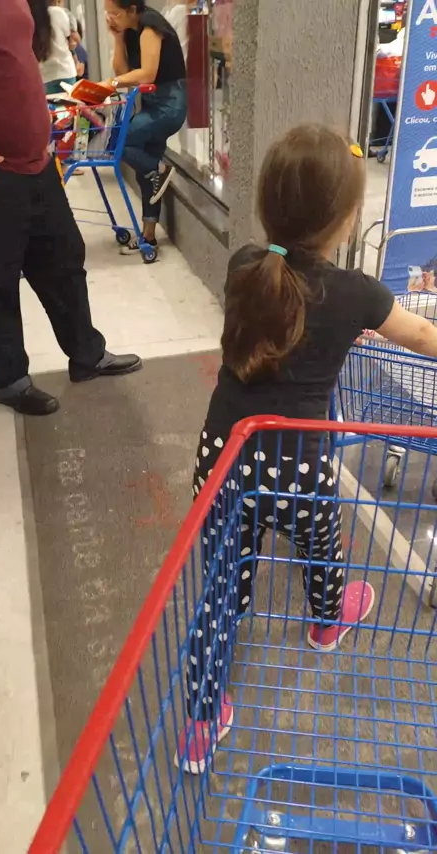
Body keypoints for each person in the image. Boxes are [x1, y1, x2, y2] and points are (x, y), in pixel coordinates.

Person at [174, 124, 437, 775]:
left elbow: (289, 318)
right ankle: (327, 620)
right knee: (321, 541)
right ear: (346, 221)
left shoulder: (245, 265)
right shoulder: (358, 294)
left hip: (225, 454)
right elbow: (423, 336)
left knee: (221, 583)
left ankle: (202, 720)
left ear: (267, 205)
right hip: (298, 464)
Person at [0, 0, 141, 417]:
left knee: (64, 260)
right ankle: (11, 382)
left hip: (36, 160)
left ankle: (87, 354)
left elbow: (12, 60)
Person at [106, 0, 187, 254]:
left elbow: (148, 73)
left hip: (169, 105)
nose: (110, 19)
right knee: (147, 175)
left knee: (119, 142)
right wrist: (118, 38)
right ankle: (148, 237)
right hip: (153, 104)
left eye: (115, 13)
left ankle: (159, 169)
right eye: (107, 14)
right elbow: (123, 72)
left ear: (132, 9)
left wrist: (110, 84)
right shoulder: (131, 31)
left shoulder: (150, 24)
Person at [36, 0, 78, 95]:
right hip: (65, 71)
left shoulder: (33, 15)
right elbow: (70, 39)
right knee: (68, 103)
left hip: (44, 75)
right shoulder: (58, 12)